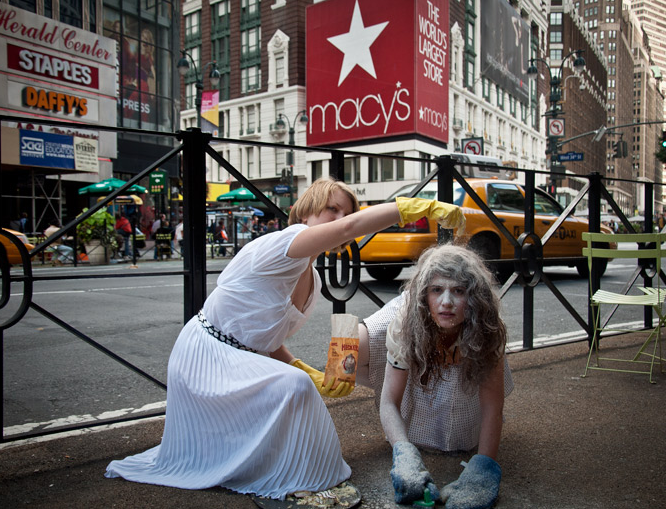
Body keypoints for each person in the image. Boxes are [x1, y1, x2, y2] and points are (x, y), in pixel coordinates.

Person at [105, 177, 465, 502]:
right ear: (307, 210)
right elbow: (352, 227)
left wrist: (302, 367)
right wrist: (417, 206)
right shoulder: (284, 244)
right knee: (294, 388)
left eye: (345, 212)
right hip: (205, 356)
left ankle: (284, 468)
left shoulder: (311, 276)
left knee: (296, 383)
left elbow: (264, 336)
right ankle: (300, 479)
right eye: (331, 209)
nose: (340, 218)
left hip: (240, 357)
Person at [355, 244, 513, 508]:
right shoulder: (405, 322)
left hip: (466, 378)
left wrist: (484, 468)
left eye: (459, 291)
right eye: (437, 290)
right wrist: (403, 454)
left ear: (475, 298)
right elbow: (389, 401)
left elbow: (492, 408)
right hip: (416, 354)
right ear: (424, 295)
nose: (447, 302)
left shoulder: (487, 327)